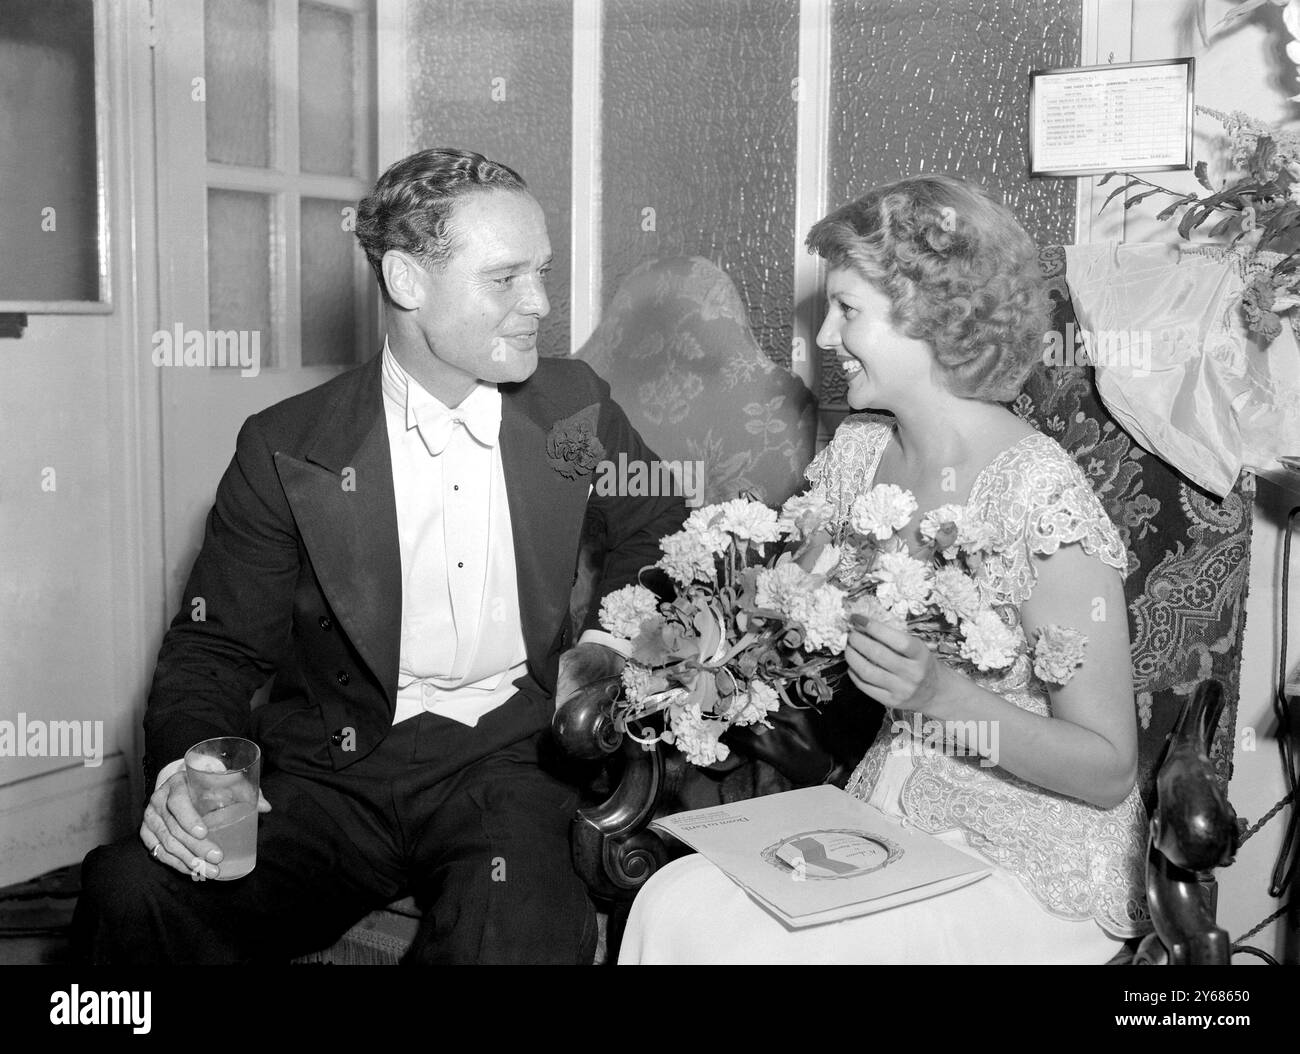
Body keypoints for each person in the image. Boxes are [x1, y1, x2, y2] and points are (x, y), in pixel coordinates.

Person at [73, 147, 687, 965]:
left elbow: (663, 532)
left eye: (540, 271)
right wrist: (194, 768)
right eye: (504, 278)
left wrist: (609, 645)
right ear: (406, 279)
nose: (540, 302)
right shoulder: (288, 447)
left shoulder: (575, 410)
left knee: (507, 936)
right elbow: (213, 645)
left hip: (512, 756)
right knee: (132, 894)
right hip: (333, 768)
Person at [618, 174, 1149, 964]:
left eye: (849, 311)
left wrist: (943, 696)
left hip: (1035, 855)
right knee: (673, 901)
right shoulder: (859, 455)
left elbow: (1108, 772)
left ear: (935, 320)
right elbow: (769, 613)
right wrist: (655, 655)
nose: (827, 337)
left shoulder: (1041, 498)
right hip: (894, 815)